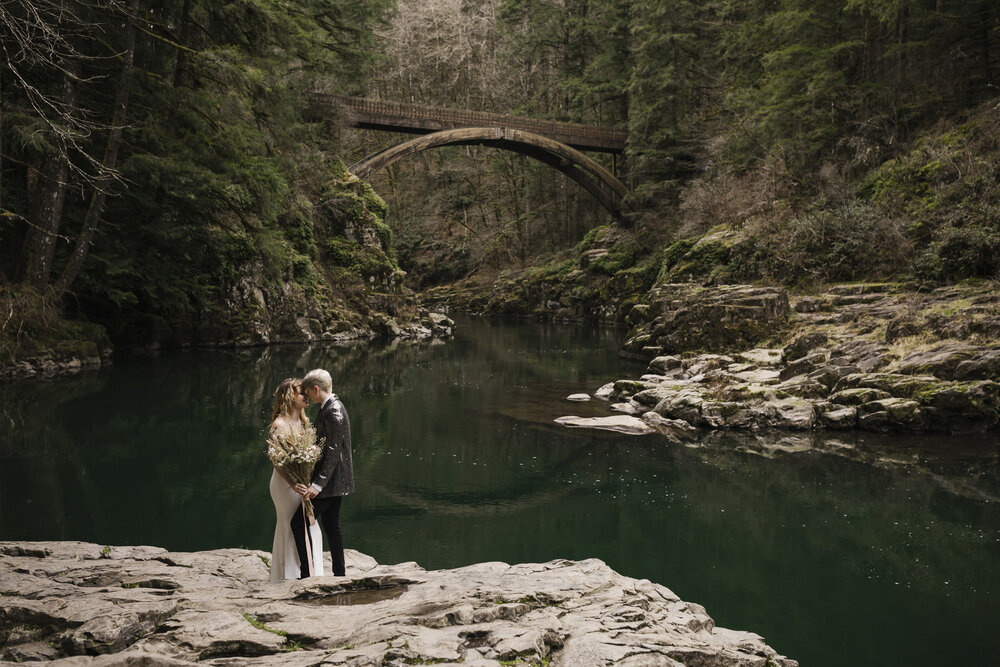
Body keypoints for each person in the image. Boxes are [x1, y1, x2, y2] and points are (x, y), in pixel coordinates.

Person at [292, 368, 354, 578]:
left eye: (308, 391)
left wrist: (317, 485)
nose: (307, 395)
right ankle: (339, 574)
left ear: (316, 389)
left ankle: (306, 574)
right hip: (335, 482)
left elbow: (334, 452)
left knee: (298, 522)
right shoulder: (331, 407)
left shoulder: (333, 411)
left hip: (330, 484)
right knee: (331, 525)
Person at [267, 378, 324, 582]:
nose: (307, 395)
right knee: (290, 524)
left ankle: (310, 570)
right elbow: (276, 460)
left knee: (309, 524)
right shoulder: (279, 424)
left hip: (303, 483)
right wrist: (293, 483)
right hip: (284, 485)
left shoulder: (304, 422)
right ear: (290, 397)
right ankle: (287, 574)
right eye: (302, 393)